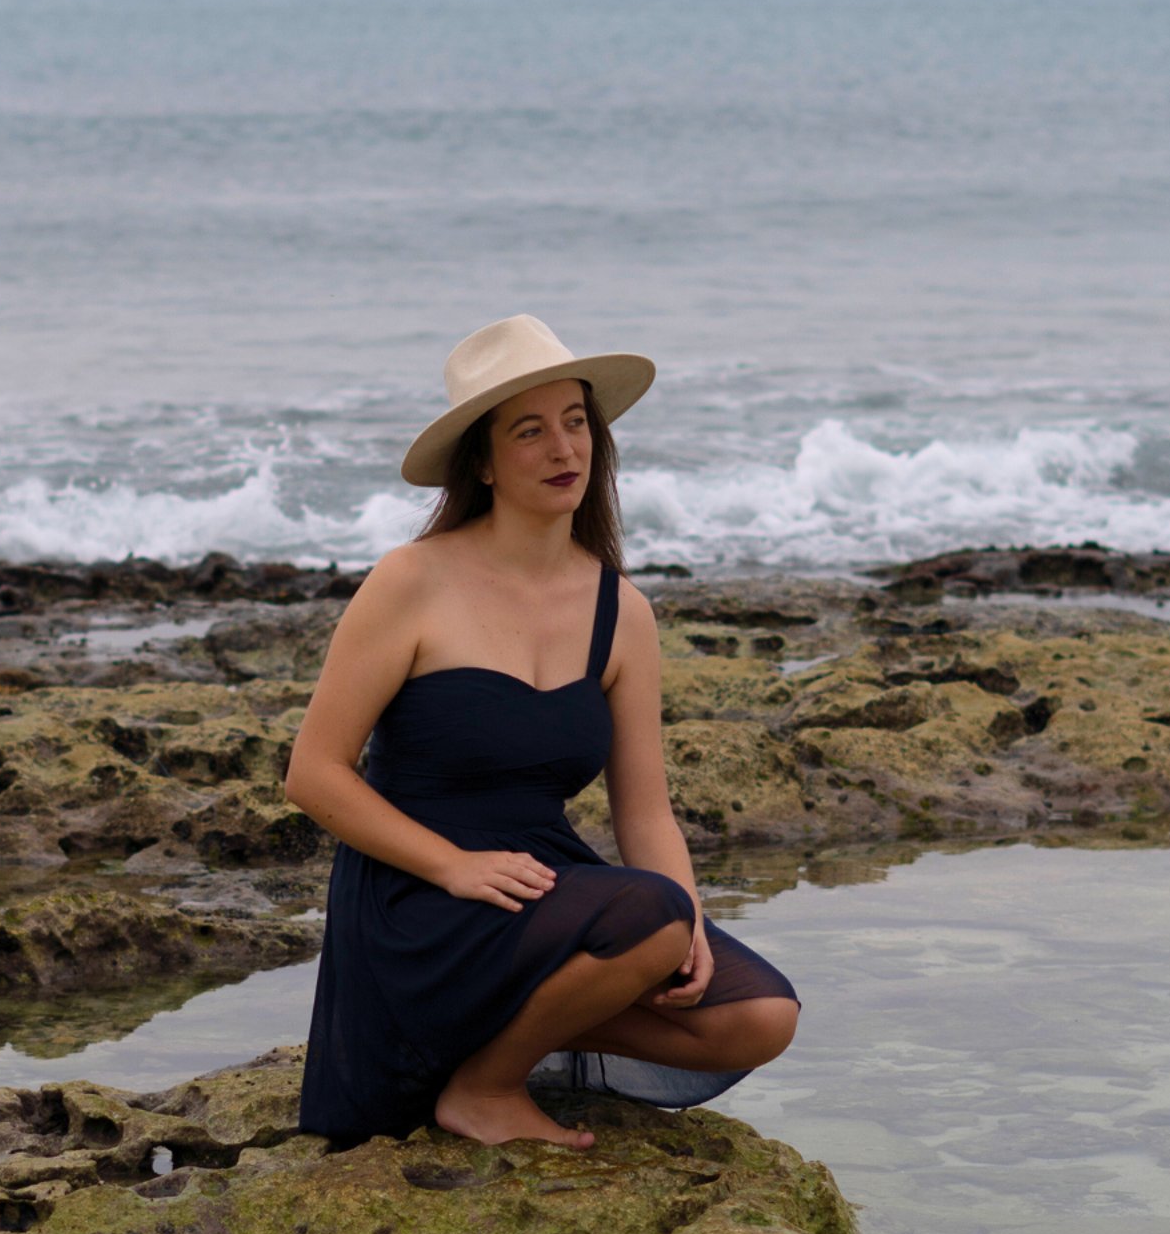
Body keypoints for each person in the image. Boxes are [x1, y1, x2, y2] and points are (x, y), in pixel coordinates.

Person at [284, 315, 799, 1148]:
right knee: (650, 916)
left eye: (575, 423)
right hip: (418, 894)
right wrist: (452, 865)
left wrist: (693, 927)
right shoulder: (412, 580)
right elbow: (314, 773)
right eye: (530, 430)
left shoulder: (621, 610)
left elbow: (646, 813)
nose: (564, 448)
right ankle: (483, 1089)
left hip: (541, 886)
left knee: (758, 1016)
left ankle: (492, 1038)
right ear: (482, 463)